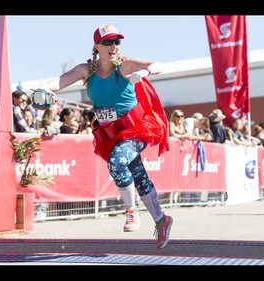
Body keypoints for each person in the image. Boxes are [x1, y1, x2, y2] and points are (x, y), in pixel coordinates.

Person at [37, 24, 172, 249]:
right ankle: (162, 221)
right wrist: (43, 87)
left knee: (117, 163)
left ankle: (131, 210)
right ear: (97, 45)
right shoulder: (86, 71)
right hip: (111, 133)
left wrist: (144, 72)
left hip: (136, 128)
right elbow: (59, 82)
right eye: (108, 42)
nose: (114, 46)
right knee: (138, 176)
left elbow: (157, 64)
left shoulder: (125, 66)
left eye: (117, 41)